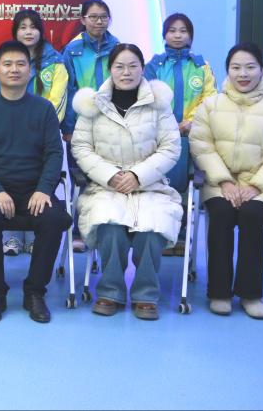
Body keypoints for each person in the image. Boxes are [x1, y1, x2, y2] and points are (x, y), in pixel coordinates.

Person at [71, 44, 181, 320]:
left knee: (151, 229)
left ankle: (146, 295)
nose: (126, 72)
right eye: (119, 66)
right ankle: (110, 292)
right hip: (105, 185)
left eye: (133, 66)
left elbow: (170, 148)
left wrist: (138, 176)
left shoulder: (158, 104)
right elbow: (81, 147)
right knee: (110, 226)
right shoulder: (93, 105)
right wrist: (110, 175)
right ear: (110, 69)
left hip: (151, 186)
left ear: (143, 69)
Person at [190, 42, 263, 319]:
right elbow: (201, 146)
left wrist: (256, 185)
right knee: (222, 213)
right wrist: (224, 181)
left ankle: (251, 294)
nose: (243, 74)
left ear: (262, 69)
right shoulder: (210, 106)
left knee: (251, 214)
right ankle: (219, 292)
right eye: (236, 67)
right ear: (228, 70)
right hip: (221, 182)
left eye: (250, 67)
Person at [0, 41, 71, 324]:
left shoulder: (44, 109)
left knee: (53, 218)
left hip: (34, 190)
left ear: (30, 70)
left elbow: (54, 154)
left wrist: (43, 189)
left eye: (20, 64)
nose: (14, 70)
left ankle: (35, 292)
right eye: (7, 64)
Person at [0, 9, 69, 257]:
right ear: (15, 31)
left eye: (33, 27)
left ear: (41, 30)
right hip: (8, 135)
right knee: (8, 181)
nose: (28, 32)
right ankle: (12, 237)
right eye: (23, 27)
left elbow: (57, 101)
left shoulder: (56, 62)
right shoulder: (6, 60)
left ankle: (36, 235)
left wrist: (36, 126)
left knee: (39, 184)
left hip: (42, 136)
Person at [144, 12, 217, 255]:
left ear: (190, 36)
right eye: (172, 30)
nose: (178, 35)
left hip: (192, 136)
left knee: (187, 187)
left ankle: (182, 237)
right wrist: (167, 125)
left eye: (183, 31)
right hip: (160, 138)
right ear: (164, 34)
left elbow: (210, 99)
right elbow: (146, 97)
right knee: (161, 185)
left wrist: (190, 123)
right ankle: (161, 234)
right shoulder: (154, 65)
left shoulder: (201, 66)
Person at [63, 0, 120, 252]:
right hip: (80, 126)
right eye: (94, 17)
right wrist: (68, 127)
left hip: (111, 125)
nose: (99, 21)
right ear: (83, 19)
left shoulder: (118, 48)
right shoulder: (72, 51)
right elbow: (67, 90)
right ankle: (78, 232)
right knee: (80, 180)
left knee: (107, 177)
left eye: (104, 17)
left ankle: (105, 229)